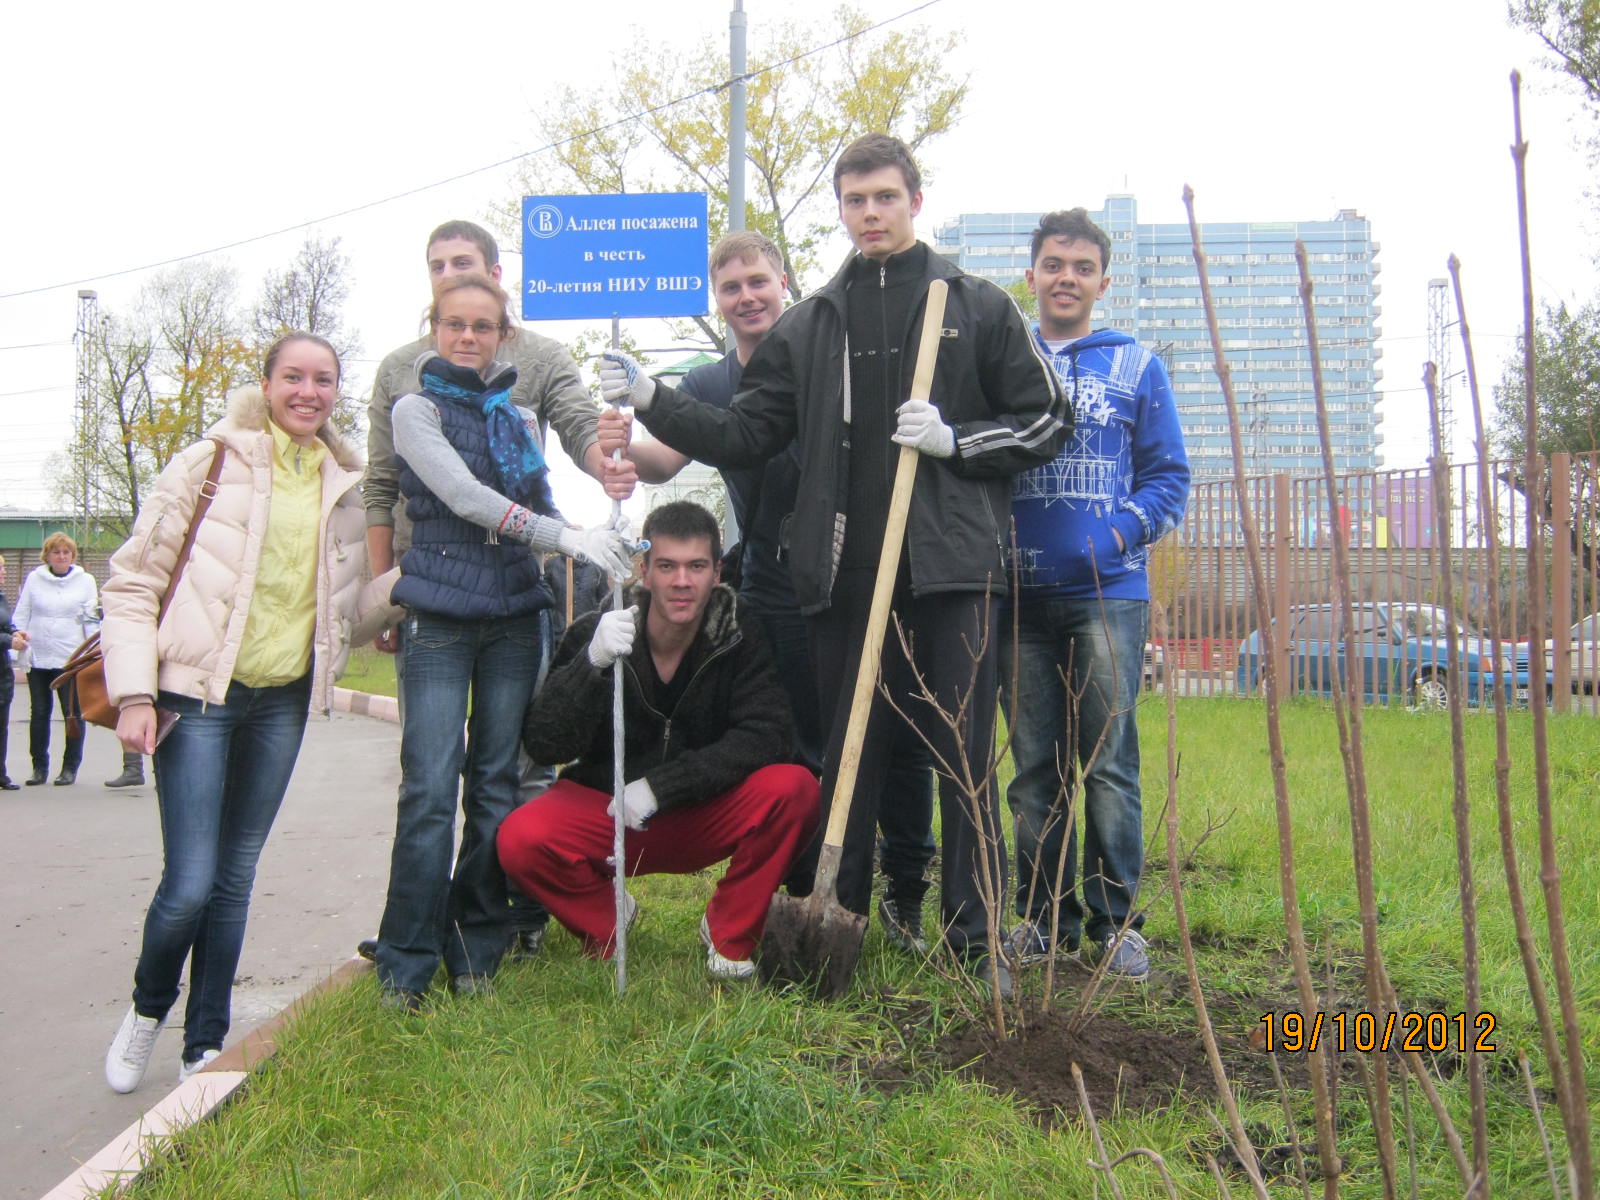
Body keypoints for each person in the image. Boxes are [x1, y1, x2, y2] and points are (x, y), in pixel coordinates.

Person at [600, 134, 1071, 996]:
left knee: (961, 757)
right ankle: (835, 916)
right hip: (843, 575)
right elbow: (746, 431)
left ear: (914, 201)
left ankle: (977, 939)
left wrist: (958, 440)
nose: (870, 215)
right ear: (841, 209)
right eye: (854, 201)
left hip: (950, 571)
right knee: (847, 764)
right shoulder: (815, 324)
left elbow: (1048, 421)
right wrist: (652, 399)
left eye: (884, 198)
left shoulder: (973, 306)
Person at [600, 230, 938, 955]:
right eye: (731, 287)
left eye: (759, 280)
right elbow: (662, 460)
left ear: (784, 282)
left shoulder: (831, 354)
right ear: (716, 300)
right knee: (792, 744)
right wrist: (615, 442)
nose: (747, 296)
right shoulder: (711, 384)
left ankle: (904, 889)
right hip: (773, 585)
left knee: (896, 732)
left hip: (860, 575)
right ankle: (798, 888)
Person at [99, 333, 399, 1092]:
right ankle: (145, 1011)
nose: (308, 392)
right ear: (266, 385)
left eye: (323, 380)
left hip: (281, 702)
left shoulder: (347, 486)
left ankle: (204, 1043)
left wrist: (406, 585)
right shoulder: (209, 463)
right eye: (293, 377)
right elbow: (134, 582)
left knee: (235, 877)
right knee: (191, 880)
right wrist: (135, 692)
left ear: (337, 391)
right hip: (196, 697)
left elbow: (345, 617)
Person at [372, 273, 632, 1014]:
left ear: (501, 336)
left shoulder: (517, 418)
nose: (467, 337)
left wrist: (607, 500)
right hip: (441, 621)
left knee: (495, 788)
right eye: (454, 324)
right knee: (428, 789)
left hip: (518, 615)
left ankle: (476, 948)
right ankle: (405, 960)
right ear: (435, 329)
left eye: (482, 327)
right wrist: (565, 536)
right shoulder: (413, 410)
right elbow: (465, 498)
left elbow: (543, 503)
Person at [497, 501, 819, 980]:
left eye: (696, 566)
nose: (681, 581)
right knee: (520, 839)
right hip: (613, 815)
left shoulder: (738, 630)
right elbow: (546, 744)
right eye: (667, 566)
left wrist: (662, 787)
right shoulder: (600, 627)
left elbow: (767, 735)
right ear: (643, 571)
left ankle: (728, 935)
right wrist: (592, 663)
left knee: (796, 788)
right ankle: (608, 921)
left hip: (703, 809)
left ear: (716, 573)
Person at [1004, 209, 1191, 981]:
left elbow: (1170, 479)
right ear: (1032, 275)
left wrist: (1113, 537)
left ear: (1103, 282)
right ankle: (1043, 921)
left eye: (1082, 267)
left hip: (1108, 595)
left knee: (1109, 763)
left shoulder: (1138, 367)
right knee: (1033, 769)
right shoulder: (1003, 363)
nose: (1066, 278)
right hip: (1017, 598)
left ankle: (1116, 924)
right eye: (1053, 264)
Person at [13, 532, 99, 786]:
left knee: (71, 713)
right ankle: (39, 767)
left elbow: (91, 620)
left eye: (66, 552)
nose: (61, 557)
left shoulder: (85, 581)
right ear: (47, 556)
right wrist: (17, 641)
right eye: (56, 552)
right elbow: (22, 612)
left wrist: (90, 654)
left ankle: (70, 767)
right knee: (39, 711)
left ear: (72, 556)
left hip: (69, 657)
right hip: (39, 655)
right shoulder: (34, 579)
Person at [1, 554, 22, 790]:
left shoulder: (1, 597)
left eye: (4, 568)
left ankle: (1, 773)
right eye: (0, 568)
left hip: (3, 671)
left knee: (2, 725)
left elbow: (7, 623)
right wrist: (8, 640)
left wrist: (16, 633)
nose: (4, 572)